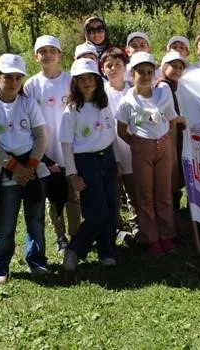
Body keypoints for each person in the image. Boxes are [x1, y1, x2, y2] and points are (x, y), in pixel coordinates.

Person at [0, 54, 50, 286]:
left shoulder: (29, 103)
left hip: (31, 164)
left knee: (35, 218)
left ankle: (37, 260)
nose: (13, 82)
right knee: (5, 220)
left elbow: (41, 136)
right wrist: (14, 167)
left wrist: (29, 166)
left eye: (18, 78)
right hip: (7, 166)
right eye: (7, 77)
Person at [116, 52, 184, 255]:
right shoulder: (127, 101)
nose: (145, 76)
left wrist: (165, 143)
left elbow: (171, 120)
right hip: (141, 149)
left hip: (163, 147)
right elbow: (121, 130)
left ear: (154, 74)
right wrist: (138, 144)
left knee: (163, 193)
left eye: (148, 72)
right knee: (145, 195)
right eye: (140, 72)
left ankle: (167, 235)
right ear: (132, 74)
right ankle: (151, 237)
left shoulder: (163, 95)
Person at [23, 35, 80, 254]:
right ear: (36, 56)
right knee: (52, 197)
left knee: (73, 194)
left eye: (52, 51)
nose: (48, 55)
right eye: (43, 51)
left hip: (69, 147)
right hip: (45, 152)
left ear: (59, 55)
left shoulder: (70, 81)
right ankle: (60, 236)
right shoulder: (31, 86)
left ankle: (76, 236)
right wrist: (41, 155)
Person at [60, 59, 118, 271]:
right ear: (75, 82)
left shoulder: (103, 104)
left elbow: (111, 133)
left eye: (91, 78)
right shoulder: (72, 110)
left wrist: (116, 160)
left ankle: (107, 251)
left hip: (107, 158)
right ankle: (75, 248)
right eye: (82, 79)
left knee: (111, 208)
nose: (87, 82)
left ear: (97, 81)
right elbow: (66, 144)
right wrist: (73, 174)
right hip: (86, 162)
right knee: (97, 212)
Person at [101, 48, 137, 238]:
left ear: (125, 67)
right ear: (103, 69)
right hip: (110, 148)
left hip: (132, 148)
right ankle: (116, 228)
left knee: (134, 191)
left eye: (118, 65)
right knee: (113, 193)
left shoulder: (133, 89)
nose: (113, 69)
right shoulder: (101, 94)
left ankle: (137, 224)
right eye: (109, 66)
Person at [156, 51, 190, 221]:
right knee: (170, 177)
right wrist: (179, 119)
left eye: (180, 67)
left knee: (173, 177)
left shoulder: (173, 86)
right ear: (163, 67)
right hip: (167, 137)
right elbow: (161, 110)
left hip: (172, 136)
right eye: (173, 66)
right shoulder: (164, 86)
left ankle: (173, 217)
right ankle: (170, 219)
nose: (177, 70)